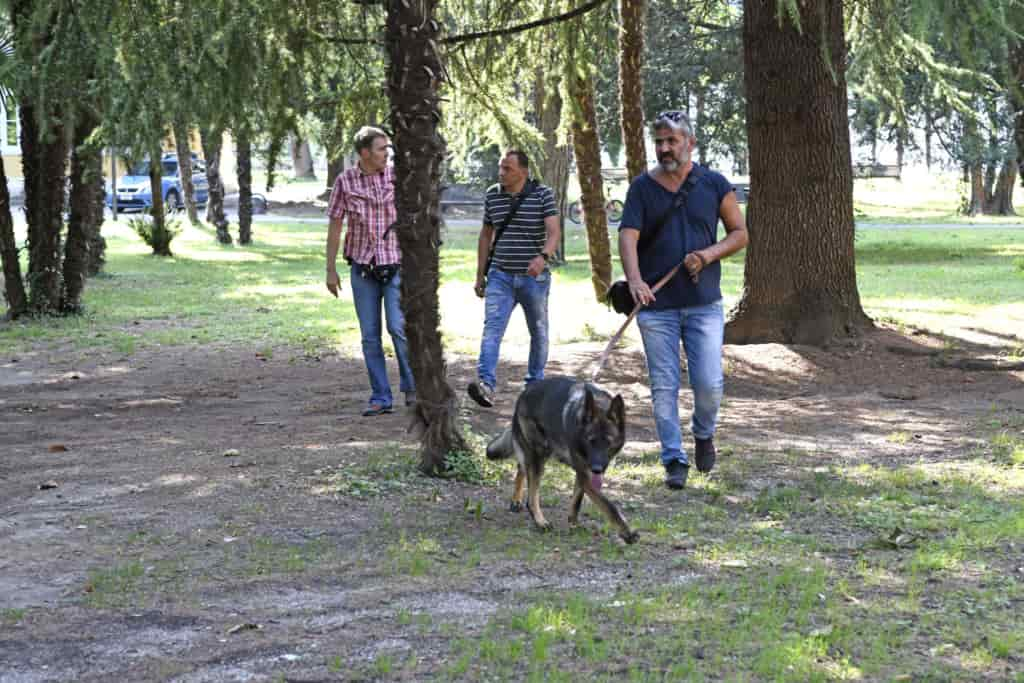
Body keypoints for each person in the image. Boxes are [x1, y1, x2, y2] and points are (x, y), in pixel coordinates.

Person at [618, 110, 748, 489]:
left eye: (672, 141)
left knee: (709, 384)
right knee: (664, 386)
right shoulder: (642, 188)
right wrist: (636, 280)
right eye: (659, 141)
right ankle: (673, 458)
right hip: (656, 307)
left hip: (704, 303)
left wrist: (707, 255)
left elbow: (739, 233)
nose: (663, 148)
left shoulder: (714, 183)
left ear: (690, 143)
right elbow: (628, 237)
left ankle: (703, 433)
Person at [325, 126, 415, 416]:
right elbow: (336, 226)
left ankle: (413, 389)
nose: (386, 154)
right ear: (364, 152)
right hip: (363, 269)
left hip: (395, 266)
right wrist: (330, 269)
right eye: (380, 149)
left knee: (398, 327)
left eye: (387, 149)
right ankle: (380, 396)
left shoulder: (398, 177)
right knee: (369, 336)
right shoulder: (345, 181)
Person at [467, 149, 560, 408]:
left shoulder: (542, 194)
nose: (501, 173)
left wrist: (543, 257)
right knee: (492, 329)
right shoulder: (492, 195)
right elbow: (485, 236)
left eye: (507, 168)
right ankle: (485, 384)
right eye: (500, 167)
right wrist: (479, 275)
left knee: (538, 332)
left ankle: (534, 386)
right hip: (500, 275)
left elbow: (554, 232)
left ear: (523, 171)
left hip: (534, 279)